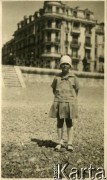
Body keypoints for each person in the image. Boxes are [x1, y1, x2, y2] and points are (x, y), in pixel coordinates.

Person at [49, 55, 79, 151]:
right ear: (60, 66)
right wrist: (59, 98)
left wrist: (71, 99)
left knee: (69, 122)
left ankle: (69, 143)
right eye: (63, 64)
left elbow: (76, 90)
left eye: (67, 64)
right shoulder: (57, 78)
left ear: (70, 66)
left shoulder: (74, 78)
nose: (65, 66)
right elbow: (54, 90)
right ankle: (59, 142)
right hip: (59, 102)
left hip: (70, 103)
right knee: (59, 122)